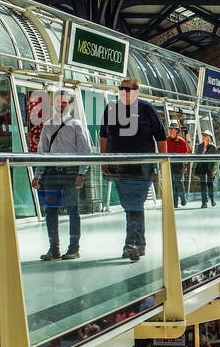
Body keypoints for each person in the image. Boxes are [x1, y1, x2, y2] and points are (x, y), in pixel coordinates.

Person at [99, 76, 167, 262]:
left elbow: (161, 137)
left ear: (136, 91)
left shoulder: (147, 109)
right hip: (118, 167)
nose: (123, 92)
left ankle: (132, 244)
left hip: (142, 168)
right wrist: (103, 159)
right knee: (129, 204)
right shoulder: (111, 109)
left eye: (127, 89)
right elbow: (104, 135)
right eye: (121, 88)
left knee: (134, 203)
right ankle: (139, 242)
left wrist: (162, 162)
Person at [32, 89, 91, 261]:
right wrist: (38, 175)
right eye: (58, 101)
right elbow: (42, 152)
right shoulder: (47, 125)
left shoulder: (76, 125)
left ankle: (74, 248)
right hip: (51, 175)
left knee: (73, 210)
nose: (61, 105)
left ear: (70, 105)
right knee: (50, 211)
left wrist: (81, 173)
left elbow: (85, 151)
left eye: (64, 102)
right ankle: (54, 249)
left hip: (71, 174)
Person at [164, 122, 191, 207]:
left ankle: (183, 199)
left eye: (173, 129)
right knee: (172, 183)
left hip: (179, 164)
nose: (172, 130)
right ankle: (174, 203)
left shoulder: (181, 141)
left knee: (179, 182)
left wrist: (185, 165)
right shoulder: (166, 140)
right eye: (170, 129)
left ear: (177, 131)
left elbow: (186, 154)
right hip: (169, 164)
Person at [196, 130, 218, 207]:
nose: (204, 137)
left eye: (205, 136)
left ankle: (212, 199)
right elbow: (197, 158)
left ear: (209, 137)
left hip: (210, 167)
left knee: (210, 184)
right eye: (203, 135)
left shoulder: (213, 147)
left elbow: (216, 159)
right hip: (202, 167)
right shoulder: (199, 146)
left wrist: (214, 170)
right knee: (202, 184)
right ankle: (204, 202)